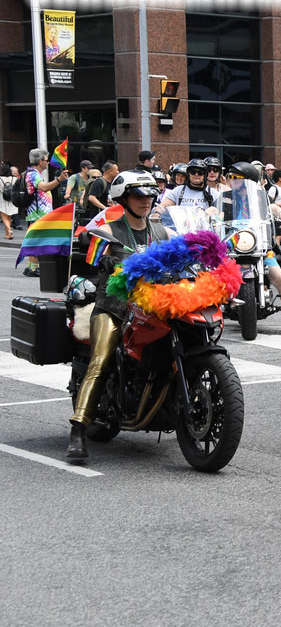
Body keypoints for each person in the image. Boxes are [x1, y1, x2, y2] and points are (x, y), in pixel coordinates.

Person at [66, 171, 170, 463]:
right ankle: (78, 430)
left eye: (150, 195)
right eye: (138, 196)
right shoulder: (110, 229)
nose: (146, 201)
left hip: (151, 306)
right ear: (124, 199)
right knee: (100, 361)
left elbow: (178, 252)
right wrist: (106, 258)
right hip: (115, 306)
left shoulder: (160, 231)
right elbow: (91, 254)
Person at [227, 162, 281, 334]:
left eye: (235, 177)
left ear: (247, 180)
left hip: (259, 249)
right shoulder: (227, 198)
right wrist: (208, 216)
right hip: (232, 249)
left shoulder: (260, 197)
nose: (231, 180)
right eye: (230, 177)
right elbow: (215, 212)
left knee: (279, 279)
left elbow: (273, 208)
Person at [0, 163, 18, 239]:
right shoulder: (14, 179)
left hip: (2, 199)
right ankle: (7, 234)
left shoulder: (0, 179)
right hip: (12, 199)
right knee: (9, 216)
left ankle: (9, 230)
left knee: (3, 216)